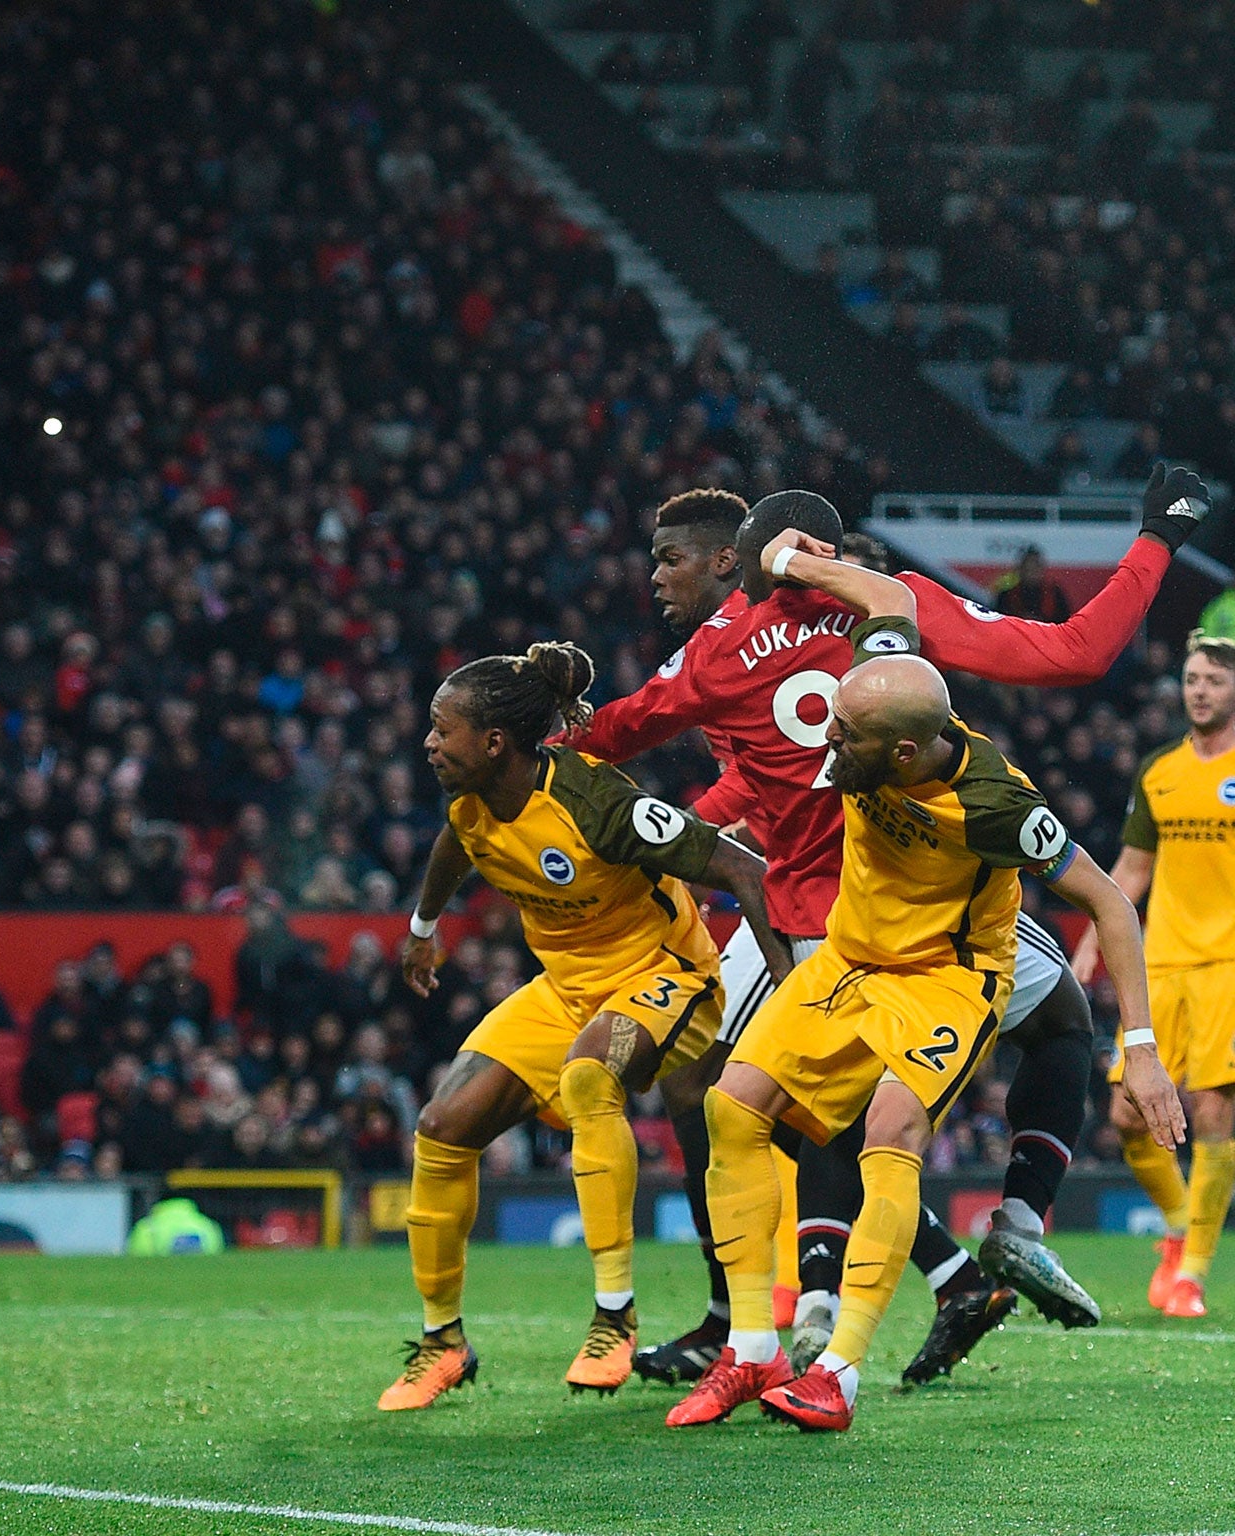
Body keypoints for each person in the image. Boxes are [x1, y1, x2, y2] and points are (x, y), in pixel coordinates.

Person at [584, 470, 1210, 1387]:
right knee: (1055, 1028)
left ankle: (762, 1325)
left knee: (754, 1102)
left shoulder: (716, 651)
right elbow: (1076, 650)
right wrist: (1159, 533)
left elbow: (626, 734)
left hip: (812, 910)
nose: (657, 579)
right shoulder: (897, 610)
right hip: (934, 890)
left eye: (670, 561)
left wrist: (536, 735)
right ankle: (996, 1241)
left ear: (743, 562)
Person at [377, 641, 790, 1409]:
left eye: (442, 729)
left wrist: (795, 994)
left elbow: (743, 868)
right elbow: (453, 848)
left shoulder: (599, 804)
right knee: (440, 1127)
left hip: (667, 976)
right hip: (566, 988)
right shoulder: (470, 805)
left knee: (588, 1074)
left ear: (495, 742)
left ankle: (614, 1314)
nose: (429, 743)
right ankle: (443, 1342)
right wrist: (423, 925)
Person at [1071, 631, 1235, 1317]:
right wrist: (1087, 944)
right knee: (1128, 1113)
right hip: (1161, 959)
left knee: (1213, 1110)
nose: (1199, 690)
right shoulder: (1160, 770)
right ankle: (1176, 1227)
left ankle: (1193, 1272)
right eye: (1193, 679)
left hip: (1229, 962)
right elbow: (1131, 872)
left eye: (1213, 681)